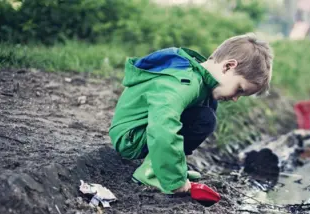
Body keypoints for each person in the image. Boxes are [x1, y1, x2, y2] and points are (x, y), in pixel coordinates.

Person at [108, 33, 274, 194]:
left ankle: (165, 167)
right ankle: (153, 172)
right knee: (203, 119)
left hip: (143, 131)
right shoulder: (185, 82)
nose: (236, 99)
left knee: (207, 112)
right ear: (228, 66)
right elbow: (162, 126)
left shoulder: (202, 82)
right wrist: (174, 181)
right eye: (239, 89)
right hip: (130, 138)